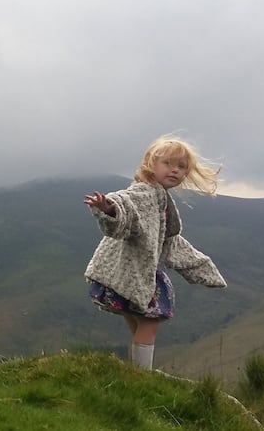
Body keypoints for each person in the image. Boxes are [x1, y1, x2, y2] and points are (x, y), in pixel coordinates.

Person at [83, 135, 226, 370]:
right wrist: (108, 207)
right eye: (168, 164)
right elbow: (125, 204)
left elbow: (170, 242)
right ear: (151, 164)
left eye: (181, 167)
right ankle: (142, 375)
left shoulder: (161, 198)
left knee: (142, 323)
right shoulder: (144, 192)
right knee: (150, 320)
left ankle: (137, 371)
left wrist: (201, 267)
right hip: (128, 272)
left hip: (135, 272)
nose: (175, 171)